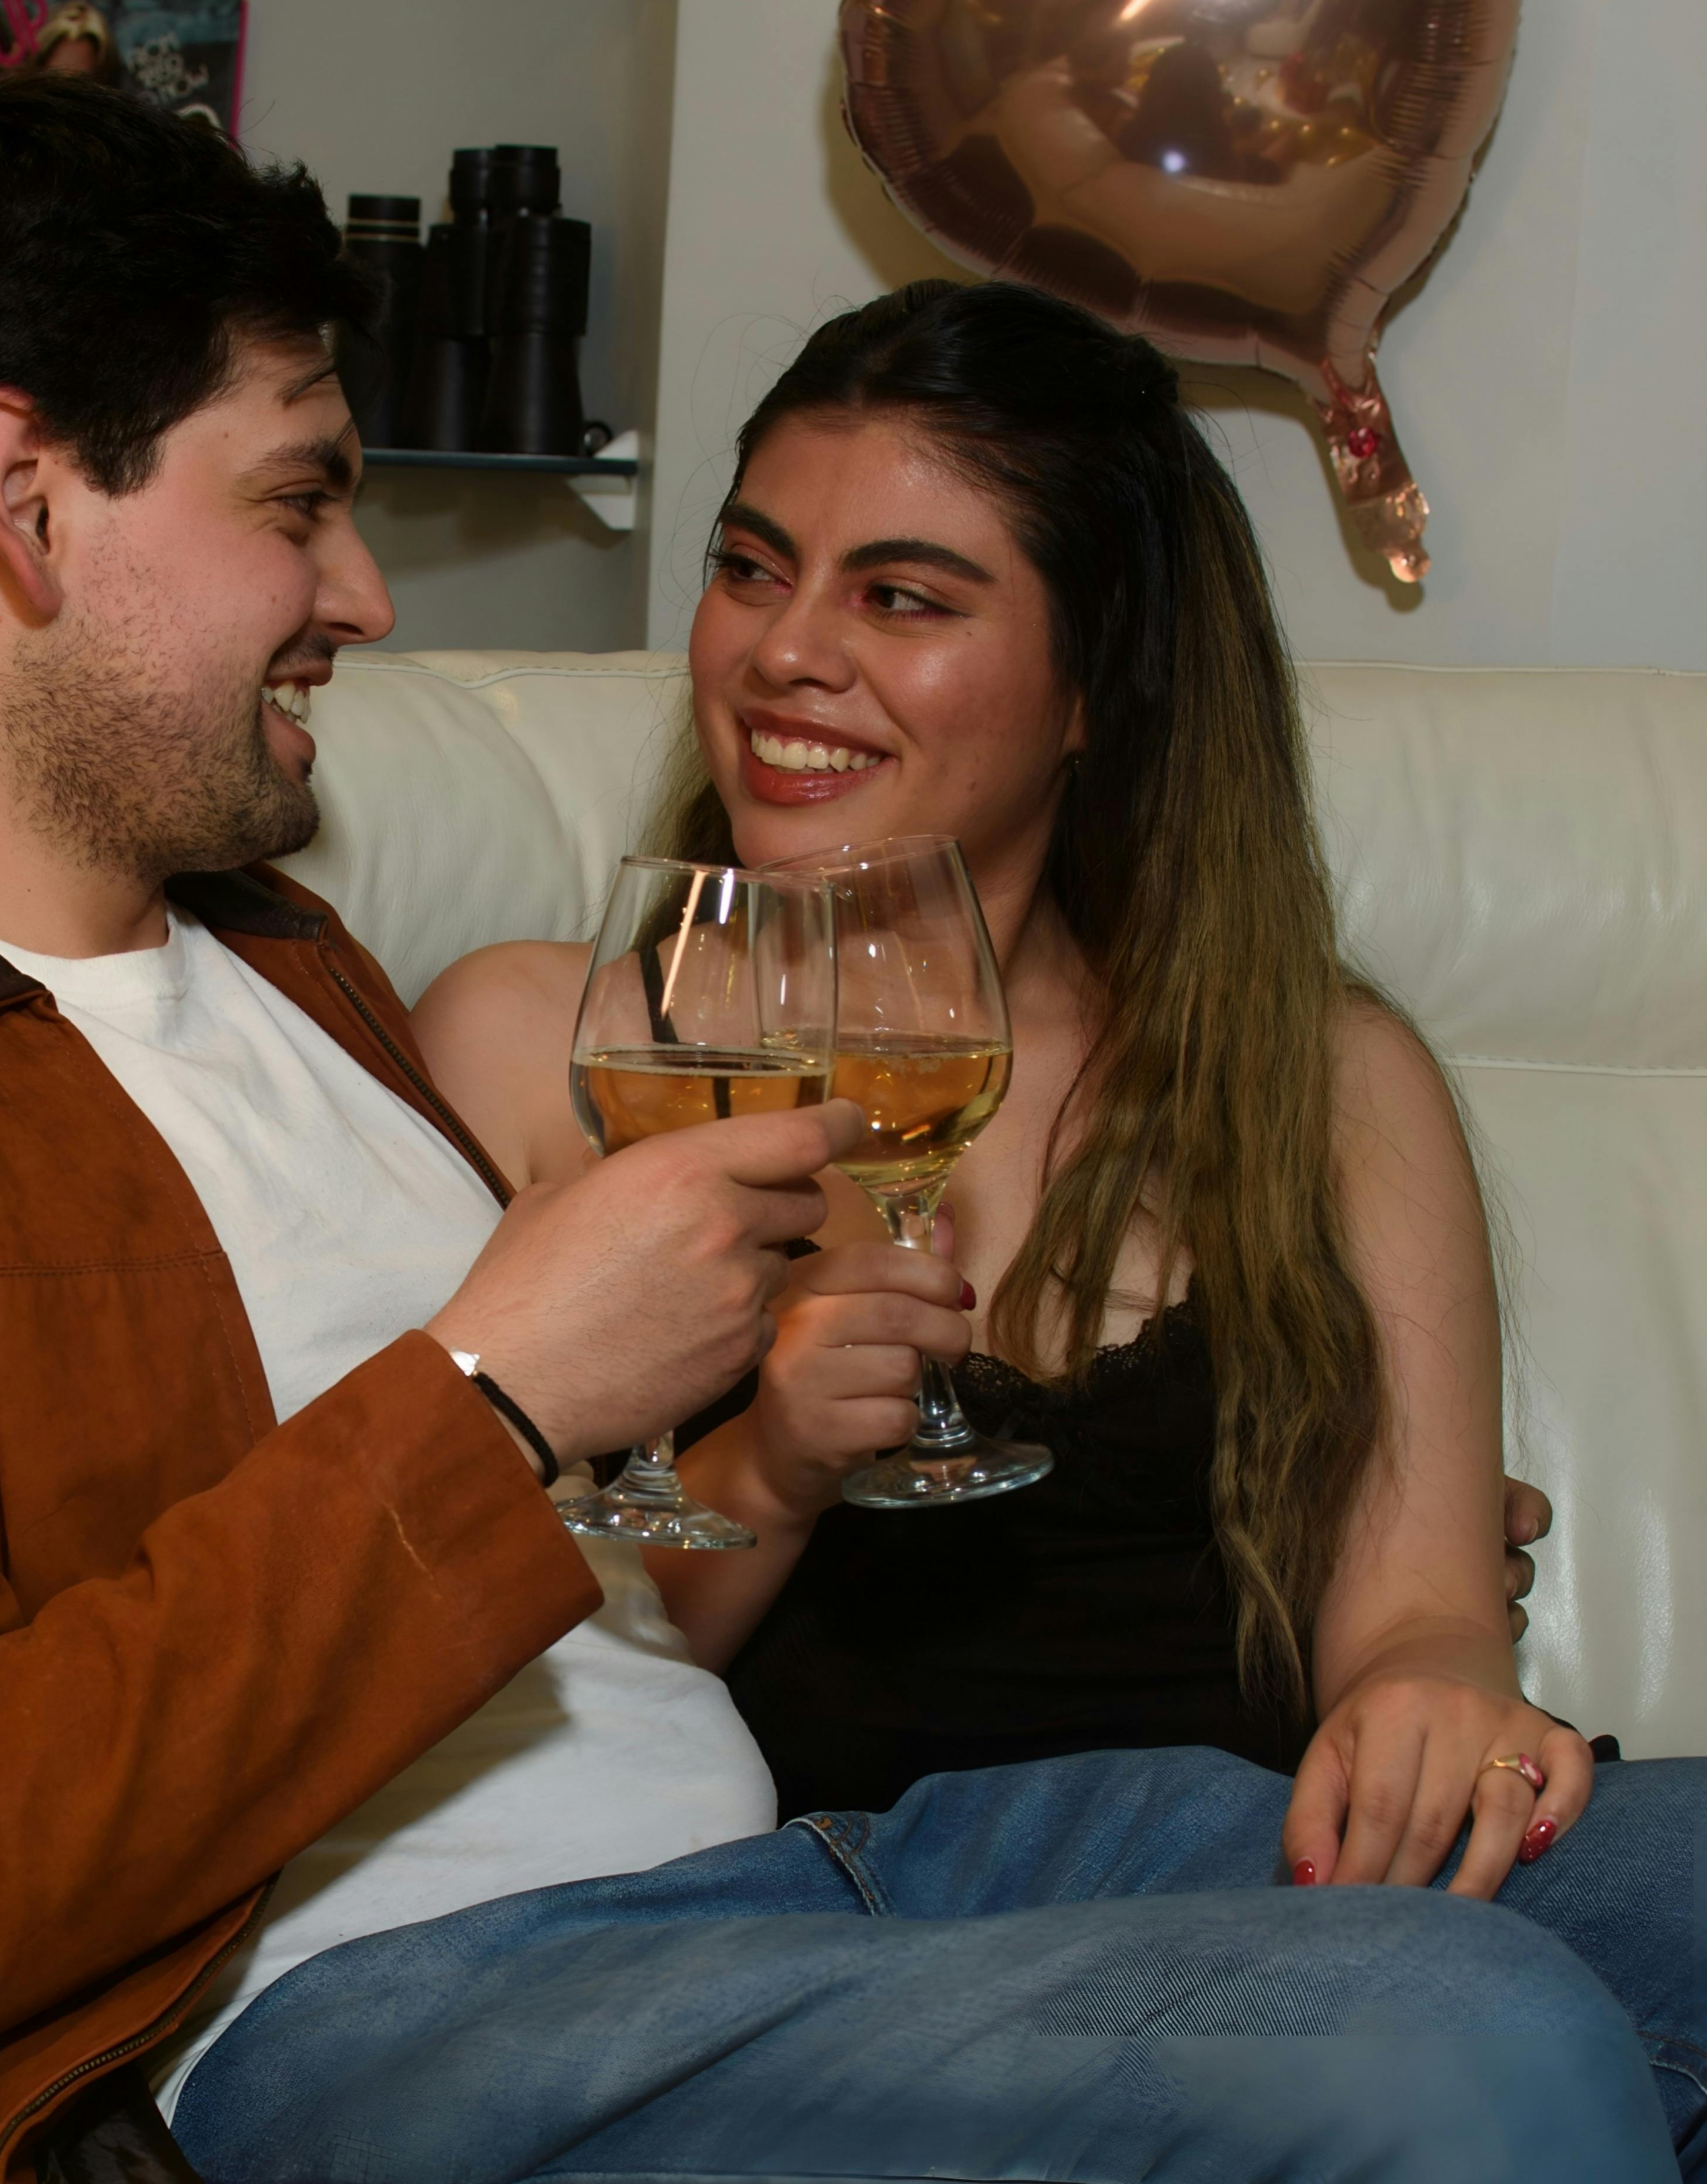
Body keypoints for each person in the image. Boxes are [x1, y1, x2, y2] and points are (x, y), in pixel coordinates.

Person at [0, 82, 1701, 2184]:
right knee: (1452, 2041)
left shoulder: (280, 967)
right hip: (387, 2008)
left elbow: (605, 1583)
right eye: (302, 500)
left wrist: (1410, 1616)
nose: (365, 598)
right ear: (26, 501)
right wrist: (499, 1391)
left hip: (803, 1881)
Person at [411, 276, 1629, 1881]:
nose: (786, 651)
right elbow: (471, 1657)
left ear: (1089, 691)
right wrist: (769, 1465)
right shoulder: (536, 1051)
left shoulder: (1323, 1080)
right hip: (839, 1921)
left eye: (902, 598)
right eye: (751, 567)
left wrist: (1436, 1696)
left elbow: (1422, 1615)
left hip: (1276, 1890)